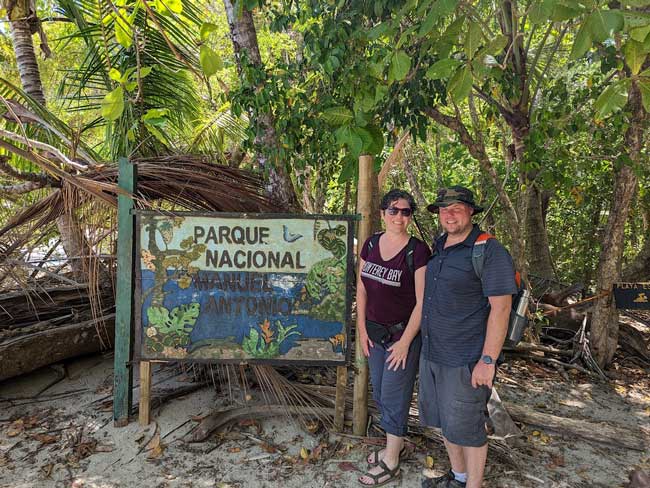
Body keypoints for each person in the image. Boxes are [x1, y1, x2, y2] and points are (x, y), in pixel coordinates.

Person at [419, 186, 517, 488]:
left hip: (465, 360)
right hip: (432, 354)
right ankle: (459, 478)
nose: (449, 214)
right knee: (446, 425)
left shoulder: (489, 250)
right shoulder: (440, 245)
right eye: (444, 209)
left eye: (457, 208)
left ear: (471, 211)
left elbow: (501, 309)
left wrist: (488, 360)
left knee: (468, 428)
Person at [357, 189, 431, 487]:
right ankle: (394, 443)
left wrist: (405, 341)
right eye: (393, 210)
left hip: (403, 336)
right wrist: (361, 328)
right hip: (374, 333)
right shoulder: (372, 243)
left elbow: (422, 302)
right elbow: (362, 288)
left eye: (406, 211)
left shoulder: (417, 250)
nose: (399, 216)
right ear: (382, 213)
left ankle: (391, 460)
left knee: (394, 395)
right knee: (379, 392)